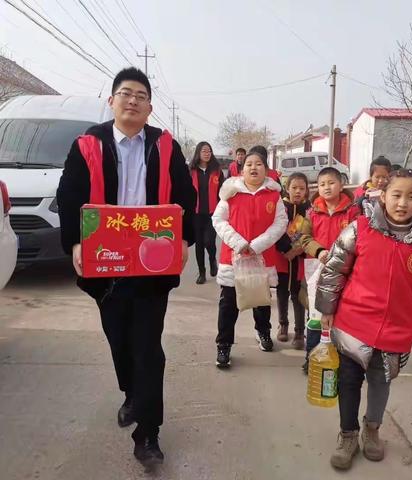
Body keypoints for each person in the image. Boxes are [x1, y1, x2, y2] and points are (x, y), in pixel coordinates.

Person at [56, 67, 196, 467]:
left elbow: (185, 195)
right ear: (111, 101)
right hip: (108, 265)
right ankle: (133, 394)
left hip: (153, 266)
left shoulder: (166, 147)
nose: (132, 100)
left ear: (150, 107)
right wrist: (76, 243)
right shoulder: (87, 145)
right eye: (125, 93)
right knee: (120, 341)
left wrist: (184, 239)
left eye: (140, 95)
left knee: (149, 348)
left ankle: (147, 435)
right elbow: (68, 196)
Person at [316, 169, 412, 470]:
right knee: (348, 381)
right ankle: (347, 434)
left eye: (411, 196)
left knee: (380, 379)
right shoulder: (359, 228)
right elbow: (335, 269)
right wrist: (327, 308)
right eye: (396, 195)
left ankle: (372, 428)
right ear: (383, 195)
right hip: (353, 321)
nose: (402, 203)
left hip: (396, 329)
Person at [212, 150, 288, 367]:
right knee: (228, 304)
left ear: (266, 169)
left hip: (262, 257)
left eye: (259, 164)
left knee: (261, 299)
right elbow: (218, 220)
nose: (253, 168)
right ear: (241, 169)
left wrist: (256, 246)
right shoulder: (231, 193)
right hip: (234, 257)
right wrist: (239, 243)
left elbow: (280, 224)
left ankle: (263, 332)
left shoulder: (274, 195)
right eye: (249, 164)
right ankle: (224, 344)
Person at [300, 167, 359, 372]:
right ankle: (311, 358)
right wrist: (319, 251)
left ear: (341, 185)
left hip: (343, 271)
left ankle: (338, 360)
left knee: (340, 318)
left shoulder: (353, 212)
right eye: (322, 184)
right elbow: (304, 238)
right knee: (315, 318)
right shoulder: (312, 212)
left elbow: (360, 239)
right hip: (316, 268)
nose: (326, 187)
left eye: (331, 183)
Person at [275, 172, 310, 349]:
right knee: (282, 293)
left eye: (301, 188)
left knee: (298, 296)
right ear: (287, 189)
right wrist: (285, 250)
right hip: (282, 258)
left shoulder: (310, 209)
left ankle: (299, 331)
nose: (297, 191)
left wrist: (297, 251)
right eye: (294, 188)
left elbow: (312, 233)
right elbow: (276, 230)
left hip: (300, 260)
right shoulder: (281, 206)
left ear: (306, 191)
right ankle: (283, 325)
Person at [190, 141, 224, 285]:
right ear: (198, 153)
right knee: (199, 244)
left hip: (212, 213)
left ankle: (212, 259)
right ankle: (202, 272)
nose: (207, 153)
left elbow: (223, 190)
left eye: (209, 151)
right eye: (204, 151)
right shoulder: (191, 170)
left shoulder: (217, 170)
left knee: (209, 241)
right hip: (196, 213)